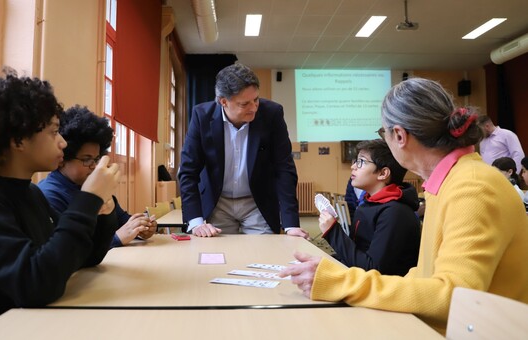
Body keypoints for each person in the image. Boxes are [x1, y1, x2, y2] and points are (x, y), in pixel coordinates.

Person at [279, 78, 528, 335]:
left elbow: (452, 295)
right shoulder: (450, 181)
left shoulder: (472, 186)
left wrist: (341, 283)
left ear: (399, 135)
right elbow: (424, 275)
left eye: (383, 133)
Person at [0, 73, 122, 339]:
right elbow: (37, 284)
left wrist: (101, 211)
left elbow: (80, 257)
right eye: (54, 132)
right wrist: (87, 200)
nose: (63, 142)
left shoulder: (31, 193)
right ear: (19, 140)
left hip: (27, 324)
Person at [177, 63, 308, 238]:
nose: (254, 107)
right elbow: (187, 172)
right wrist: (196, 221)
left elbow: (284, 169)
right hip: (218, 202)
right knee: (215, 256)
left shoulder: (272, 114)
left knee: (264, 256)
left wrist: (291, 224)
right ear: (223, 101)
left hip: (257, 202)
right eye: (244, 103)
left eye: (256, 100)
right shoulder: (202, 116)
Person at [38, 105, 156, 247]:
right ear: (63, 159)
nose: (94, 166)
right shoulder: (49, 196)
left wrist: (141, 227)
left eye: (96, 159)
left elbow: (123, 220)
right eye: (87, 159)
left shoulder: (96, 186)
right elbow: (65, 250)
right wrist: (117, 238)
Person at [319, 139, 420, 276]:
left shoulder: (394, 213)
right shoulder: (368, 204)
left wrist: (333, 232)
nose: (353, 167)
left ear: (383, 173)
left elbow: (373, 269)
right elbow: (357, 254)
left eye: (361, 162)